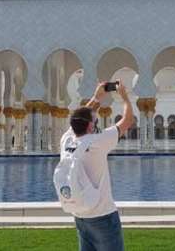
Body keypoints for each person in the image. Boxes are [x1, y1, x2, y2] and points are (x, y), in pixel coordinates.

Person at [57, 81, 134, 251]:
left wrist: (96, 97)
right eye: (95, 121)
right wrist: (125, 98)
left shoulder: (66, 139)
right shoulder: (98, 141)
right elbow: (128, 121)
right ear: (91, 126)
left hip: (80, 215)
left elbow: (80, 118)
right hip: (103, 216)